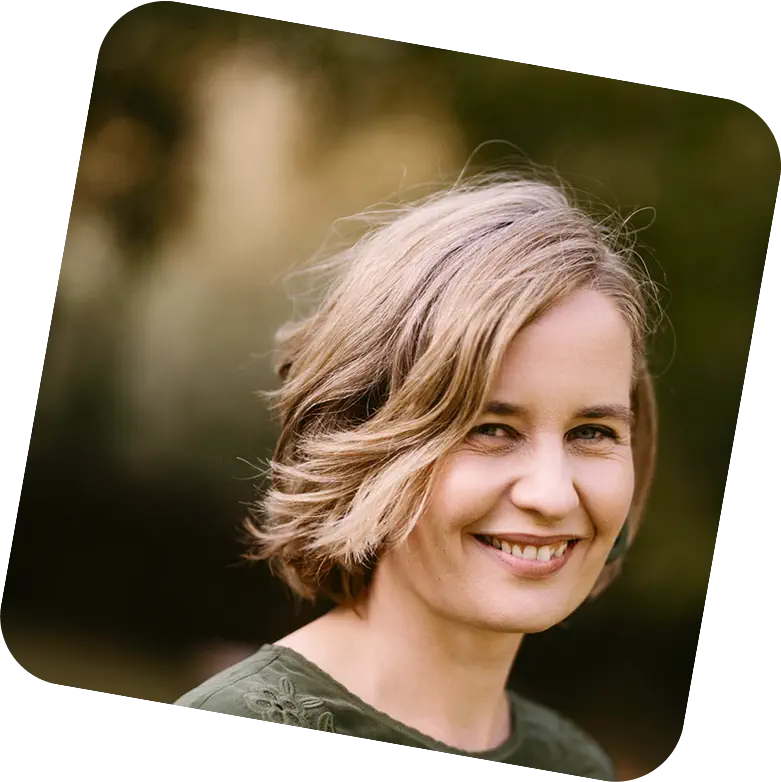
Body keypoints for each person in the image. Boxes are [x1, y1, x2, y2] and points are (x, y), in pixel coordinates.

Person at [172, 171, 660, 779]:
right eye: (491, 428)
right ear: (366, 443)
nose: (552, 494)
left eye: (591, 433)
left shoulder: (579, 766)